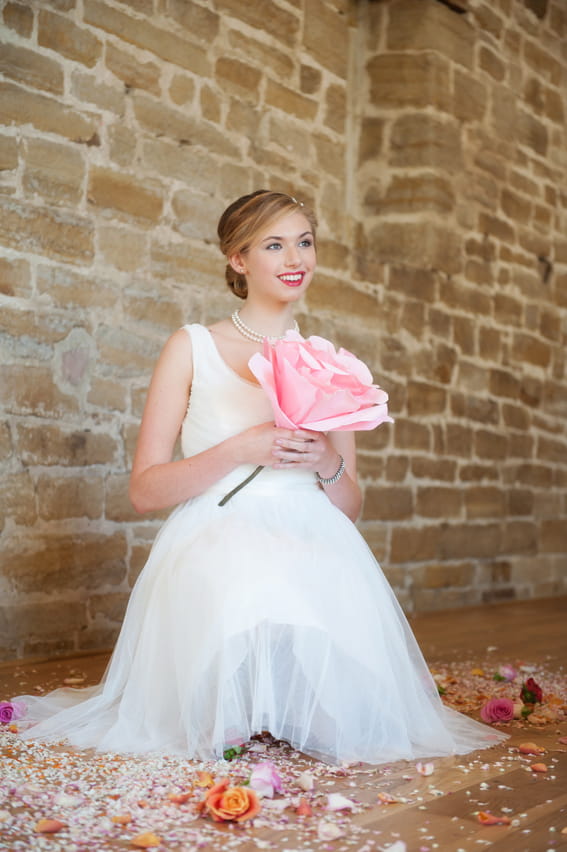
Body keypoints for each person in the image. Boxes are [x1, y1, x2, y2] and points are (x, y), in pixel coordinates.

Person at [14, 190, 506, 764]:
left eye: (304, 241)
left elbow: (347, 505)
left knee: (344, 726)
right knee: (237, 630)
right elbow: (145, 490)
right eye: (274, 244)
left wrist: (323, 461)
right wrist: (243, 447)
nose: (296, 258)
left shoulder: (327, 364)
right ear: (238, 260)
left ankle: (284, 698)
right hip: (217, 536)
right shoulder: (191, 347)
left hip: (310, 540)